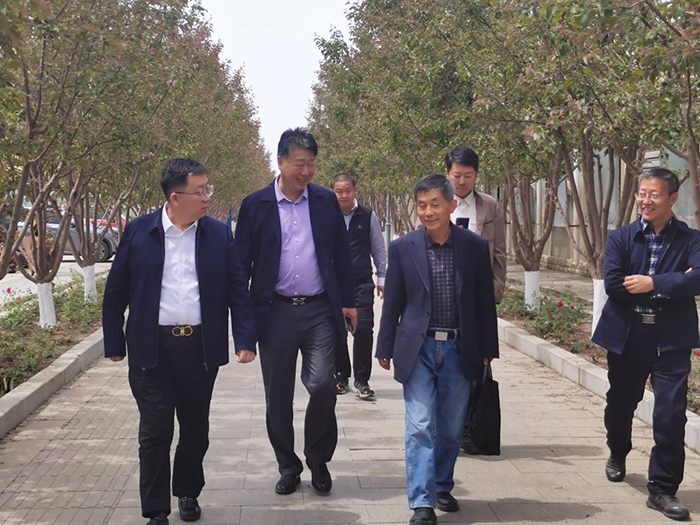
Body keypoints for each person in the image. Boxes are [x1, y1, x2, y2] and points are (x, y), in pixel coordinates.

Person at [102, 159, 256, 525]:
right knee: (155, 432)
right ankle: (156, 510)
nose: (207, 197)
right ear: (175, 197)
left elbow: (237, 289)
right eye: (200, 191)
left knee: (195, 429)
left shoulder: (218, 235)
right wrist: (114, 343)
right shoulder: (140, 232)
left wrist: (245, 339)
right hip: (151, 348)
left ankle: (188, 490)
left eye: (208, 189)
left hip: (199, 348)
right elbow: (116, 289)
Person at [235, 128, 356, 496]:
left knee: (323, 386)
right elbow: (241, 267)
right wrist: (243, 330)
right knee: (278, 397)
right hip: (275, 313)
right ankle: (288, 466)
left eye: (311, 164)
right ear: (281, 161)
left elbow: (342, 255)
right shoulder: (255, 205)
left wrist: (349, 301)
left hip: (319, 310)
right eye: (299, 164)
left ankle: (318, 459)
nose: (306, 171)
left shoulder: (325, 201)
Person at [376, 175, 499, 525]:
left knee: (449, 427)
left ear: (451, 205)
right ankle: (422, 502)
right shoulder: (404, 248)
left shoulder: (474, 247)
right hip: (417, 347)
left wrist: (488, 348)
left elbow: (484, 301)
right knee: (420, 423)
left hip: (460, 348)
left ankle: (441, 484)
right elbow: (393, 301)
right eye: (421, 205)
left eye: (435, 204)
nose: (428, 212)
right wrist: (384, 345)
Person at [592, 167, 700, 521]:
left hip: (671, 339)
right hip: (628, 336)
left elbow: (699, 279)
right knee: (620, 406)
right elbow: (613, 284)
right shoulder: (621, 238)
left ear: (672, 198)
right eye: (642, 193)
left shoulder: (690, 239)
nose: (645, 200)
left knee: (670, 415)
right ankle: (618, 450)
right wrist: (677, 281)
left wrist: (653, 283)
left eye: (654, 194)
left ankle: (662, 489)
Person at [331, 173, 387, 400]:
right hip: (333, 284)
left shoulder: (367, 215)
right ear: (332, 193)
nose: (343, 195)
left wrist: (382, 277)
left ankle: (362, 380)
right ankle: (341, 377)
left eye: (347, 190)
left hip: (361, 282)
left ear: (355, 191)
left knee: (363, 329)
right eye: (339, 191)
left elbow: (377, 246)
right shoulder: (326, 214)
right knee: (335, 331)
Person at [445, 146, 506, 303]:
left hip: (478, 290)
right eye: (457, 176)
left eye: (468, 176)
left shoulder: (490, 206)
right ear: (447, 174)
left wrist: (496, 290)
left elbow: (499, 251)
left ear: (476, 175)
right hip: (442, 289)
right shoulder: (434, 204)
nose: (462, 181)